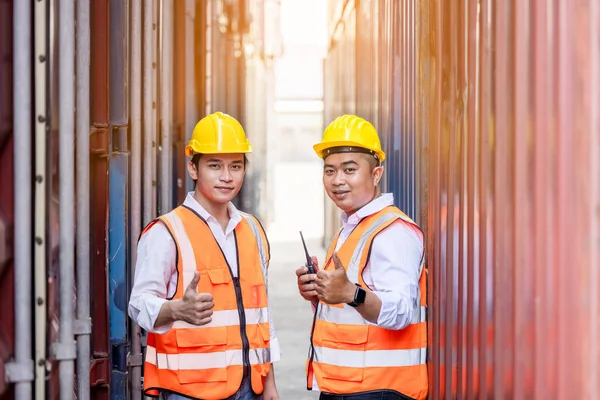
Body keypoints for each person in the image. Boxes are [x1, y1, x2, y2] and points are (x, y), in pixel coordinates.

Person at [129, 112, 280, 400]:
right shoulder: (167, 231)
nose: (227, 176)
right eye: (215, 166)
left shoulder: (252, 229)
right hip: (189, 392)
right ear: (193, 169)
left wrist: (269, 380)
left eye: (235, 166)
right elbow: (138, 304)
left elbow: (262, 314)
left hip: (250, 389)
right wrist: (176, 310)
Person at [295, 115, 428, 400]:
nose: (337, 180)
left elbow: (402, 310)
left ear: (376, 175)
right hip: (347, 387)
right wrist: (319, 294)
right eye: (329, 171)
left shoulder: (392, 232)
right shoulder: (352, 228)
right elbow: (349, 312)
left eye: (349, 169)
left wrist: (351, 293)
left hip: (379, 391)